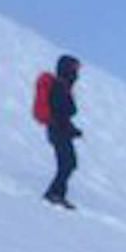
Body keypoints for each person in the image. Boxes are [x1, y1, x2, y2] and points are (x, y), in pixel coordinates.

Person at [42, 54, 83, 208]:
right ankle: (54, 194)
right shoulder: (60, 87)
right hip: (58, 131)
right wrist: (69, 129)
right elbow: (60, 113)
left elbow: (62, 114)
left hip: (59, 130)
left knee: (68, 163)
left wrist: (72, 129)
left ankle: (57, 194)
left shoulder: (62, 86)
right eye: (75, 69)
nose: (77, 74)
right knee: (67, 163)